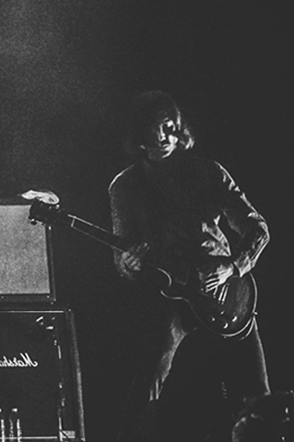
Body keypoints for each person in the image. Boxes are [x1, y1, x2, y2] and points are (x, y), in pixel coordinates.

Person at [109, 91, 270, 442]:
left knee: (256, 393)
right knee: (152, 372)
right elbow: (122, 260)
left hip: (227, 292)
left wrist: (233, 268)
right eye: (154, 129)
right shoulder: (125, 187)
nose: (163, 136)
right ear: (140, 136)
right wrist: (130, 263)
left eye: (169, 127)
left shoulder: (208, 172)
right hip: (173, 295)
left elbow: (257, 228)